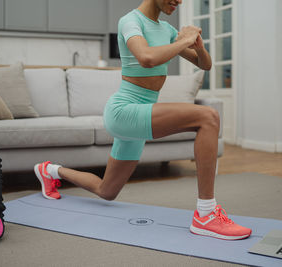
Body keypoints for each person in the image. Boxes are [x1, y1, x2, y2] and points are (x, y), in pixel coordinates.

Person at [34, 0, 252, 240]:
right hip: (124, 112)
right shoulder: (131, 21)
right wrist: (183, 40)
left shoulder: (167, 30)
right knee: (208, 117)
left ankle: (51, 170)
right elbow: (146, 57)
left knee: (107, 191)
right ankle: (206, 215)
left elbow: (205, 64)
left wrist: (197, 45)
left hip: (139, 115)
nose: (179, 1)